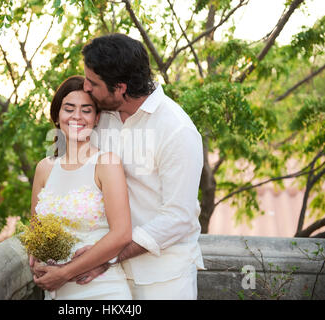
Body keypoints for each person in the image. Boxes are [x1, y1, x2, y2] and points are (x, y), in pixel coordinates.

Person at [68, 33, 205, 300]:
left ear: (120, 88)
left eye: (93, 82)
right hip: (105, 278)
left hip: (163, 278)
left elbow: (178, 217)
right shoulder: (99, 116)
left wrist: (106, 257)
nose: (85, 87)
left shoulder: (177, 130)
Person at [29, 75, 133, 299]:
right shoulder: (44, 168)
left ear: (96, 118)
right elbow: (36, 231)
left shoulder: (107, 163)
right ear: (57, 115)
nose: (77, 116)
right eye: (69, 108)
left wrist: (65, 273)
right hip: (56, 291)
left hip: (101, 290)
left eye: (86, 110)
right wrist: (35, 255)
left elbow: (122, 234)